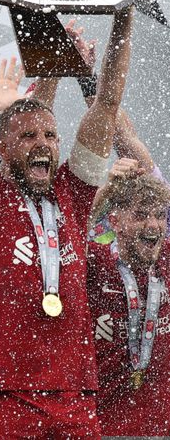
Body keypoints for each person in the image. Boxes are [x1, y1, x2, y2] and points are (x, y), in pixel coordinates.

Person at [0, 0, 145, 436]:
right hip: (5, 396)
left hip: (75, 393)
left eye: (50, 134)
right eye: (28, 136)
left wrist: (125, 13)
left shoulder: (74, 191)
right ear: (4, 149)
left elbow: (107, 102)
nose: (44, 143)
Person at [86, 163, 170, 435]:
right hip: (102, 428)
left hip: (161, 430)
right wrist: (107, 187)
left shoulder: (166, 261)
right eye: (141, 215)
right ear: (114, 221)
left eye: (159, 215)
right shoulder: (94, 264)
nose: (153, 225)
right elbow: (68, 228)